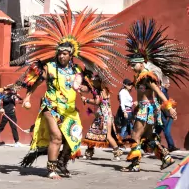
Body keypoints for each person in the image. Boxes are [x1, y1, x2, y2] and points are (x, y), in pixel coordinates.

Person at [19, 1, 122, 179]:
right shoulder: (50, 67)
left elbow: (86, 87)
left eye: (65, 53)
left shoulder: (77, 71)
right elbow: (35, 82)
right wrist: (27, 97)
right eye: (59, 53)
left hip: (69, 109)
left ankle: (61, 162)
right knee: (57, 136)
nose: (61, 55)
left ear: (71, 55)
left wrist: (84, 88)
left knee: (73, 137)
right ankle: (51, 169)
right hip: (51, 107)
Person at [122, 19, 187, 173]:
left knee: (135, 135)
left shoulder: (146, 76)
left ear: (141, 62)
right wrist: (138, 102)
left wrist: (169, 108)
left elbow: (158, 92)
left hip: (147, 110)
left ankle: (135, 164)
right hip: (147, 108)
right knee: (149, 137)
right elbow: (145, 94)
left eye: (133, 64)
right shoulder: (139, 76)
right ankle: (166, 158)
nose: (131, 67)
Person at [80, 72, 123, 161]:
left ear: (100, 82)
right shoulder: (103, 90)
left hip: (104, 117)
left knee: (107, 136)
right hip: (103, 116)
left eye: (95, 81)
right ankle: (89, 153)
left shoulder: (102, 91)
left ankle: (117, 152)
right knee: (91, 134)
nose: (93, 83)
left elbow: (97, 102)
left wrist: (86, 100)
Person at [160, 78, 178, 152]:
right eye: (168, 83)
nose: (169, 85)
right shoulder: (163, 91)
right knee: (166, 130)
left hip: (165, 112)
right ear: (164, 84)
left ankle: (171, 146)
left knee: (164, 129)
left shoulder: (164, 91)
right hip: (164, 112)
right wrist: (171, 111)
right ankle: (171, 146)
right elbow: (164, 103)